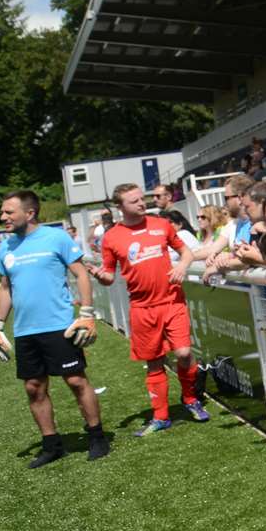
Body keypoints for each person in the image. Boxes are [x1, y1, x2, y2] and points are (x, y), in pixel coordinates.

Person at [0, 190, 109, 466]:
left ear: (29, 213)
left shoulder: (56, 238)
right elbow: (5, 288)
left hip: (59, 326)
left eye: (9, 212)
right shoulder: (6, 247)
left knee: (76, 381)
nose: (3, 217)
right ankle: (52, 445)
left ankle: (97, 437)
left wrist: (87, 313)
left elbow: (81, 274)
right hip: (25, 331)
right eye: (3, 212)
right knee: (34, 388)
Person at [89, 183, 209, 434]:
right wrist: (100, 276)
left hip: (172, 301)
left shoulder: (160, 224)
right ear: (120, 207)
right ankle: (161, 416)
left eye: (141, 199)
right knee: (154, 363)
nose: (142, 203)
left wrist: (182, 267)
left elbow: (185, 252)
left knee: (185, 353)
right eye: (134, 201)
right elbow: (110, 276)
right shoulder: (112, 237)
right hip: (142, 308)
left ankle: (190, 399)